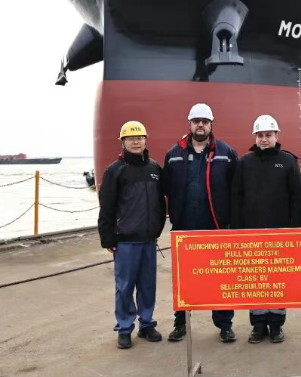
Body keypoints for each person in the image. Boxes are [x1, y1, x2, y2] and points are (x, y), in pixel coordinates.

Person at [162, 103, 239, 343]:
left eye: (205, 121)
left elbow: (236, 189)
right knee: (183, 278)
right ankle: (181, 323)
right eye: (196, 121)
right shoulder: (174, 154)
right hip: (184, 227)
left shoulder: (226, 153)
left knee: (221, 277)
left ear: (211, 125)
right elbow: (165, 188)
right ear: (190, 124)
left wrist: (232, 224)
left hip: (216, 226)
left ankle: (225, 325)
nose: (200, 125)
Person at [231, 114, 301, 344]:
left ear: (276, 136)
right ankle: (258, 325)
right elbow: (236, 197)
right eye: (260, 135)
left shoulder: (288, 161)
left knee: (278, 281)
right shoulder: (245, 162)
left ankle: (276, 324)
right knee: (256, 281)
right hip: (252, 234)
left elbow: (296, 198)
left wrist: (294, 230)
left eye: (268, 135)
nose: (264, 139)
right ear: (255, 137)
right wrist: (238, 231)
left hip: (280, 234)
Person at [98, 121, 167, 349]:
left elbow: (160, 203)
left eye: (139, 138)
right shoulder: (114, 171)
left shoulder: (154, 168)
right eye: (131, 139)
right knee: (125, 287)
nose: (136, 142)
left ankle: (146, 324)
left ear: (145, 140)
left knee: (148, 285)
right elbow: (106, 207)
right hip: (125, 240)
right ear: (123, 142)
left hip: (148, 240)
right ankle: (125, 327)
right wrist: (108, 238)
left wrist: (156, 229)